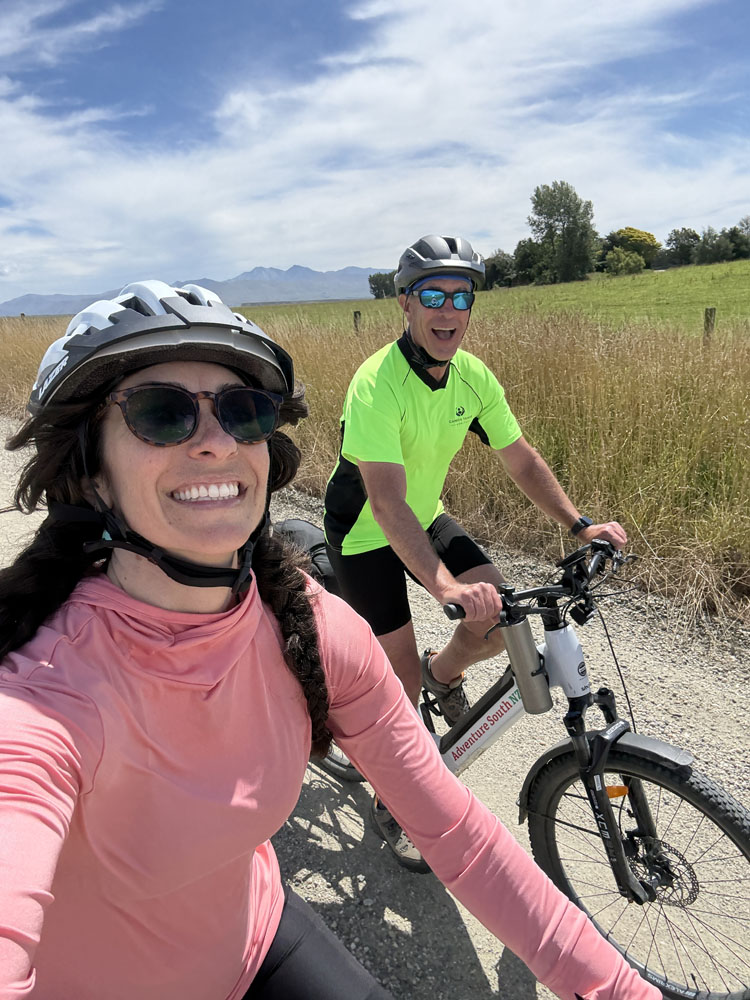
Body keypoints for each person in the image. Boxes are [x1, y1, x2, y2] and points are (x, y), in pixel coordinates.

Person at [0, 280, 656, 1000]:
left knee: (470, 634)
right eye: (163, 414)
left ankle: (428, 696)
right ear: (90, 474)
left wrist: (619, 989)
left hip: (255, 934)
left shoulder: (306, 623)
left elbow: (464, 838)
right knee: (400, 657)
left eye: (245, 413)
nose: (217, 444)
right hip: (369, 529)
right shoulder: (42, 700)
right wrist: (440, 586)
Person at [324, 235, 627, 870]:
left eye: (461, 297)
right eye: (433, 295)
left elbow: (520, 458)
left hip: (424, 516)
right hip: (364, 533)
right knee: (398, 686)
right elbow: (384, 503)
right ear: (405, 304)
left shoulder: (473, 376)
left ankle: (446, 672)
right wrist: (443, 588)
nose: (448, 311)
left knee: (501, 618)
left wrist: (580, 526)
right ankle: (394, 794)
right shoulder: (375, 383)